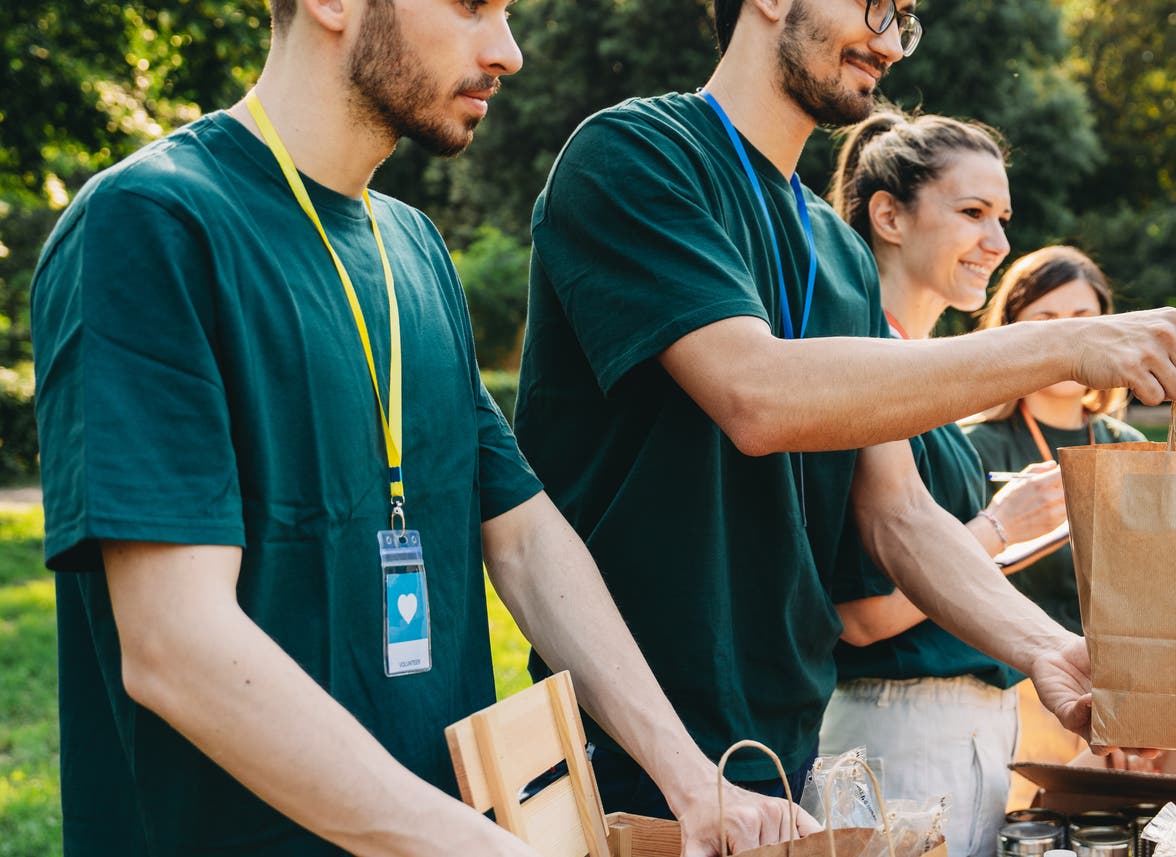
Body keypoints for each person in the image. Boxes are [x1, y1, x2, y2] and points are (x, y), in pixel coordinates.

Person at [29, 1, 799, 854]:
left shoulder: (417, 249)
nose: (507, 51)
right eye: (473, 6)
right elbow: (176, 644)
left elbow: (524, 537)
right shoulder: (148, 222)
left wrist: (692, 779)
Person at [513, 0, 1176, 821]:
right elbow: (756, 394)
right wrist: (1061, 345)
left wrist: (1046, 649)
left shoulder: (835, 247)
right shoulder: (637, 154)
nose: (891, 42)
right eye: (877, 7)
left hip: (782, 751)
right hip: (625, 749)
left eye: (906, 19)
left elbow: (899, 515)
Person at [813, 107, 1066, 857]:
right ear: (889, 214)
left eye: (1004, 216)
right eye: (973, 213)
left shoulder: (920, 372)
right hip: (899, 732)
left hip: (965, 734)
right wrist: (998, 528)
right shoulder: (860, 366)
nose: (1000, 241)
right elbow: (860, 613)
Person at [962, 246, 1150, 633]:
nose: (1069, 340)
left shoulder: (1131, 446)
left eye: (1083, 321)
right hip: (1017, 679)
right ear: (1010, 333)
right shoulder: (972, 447)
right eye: (1046, 322)